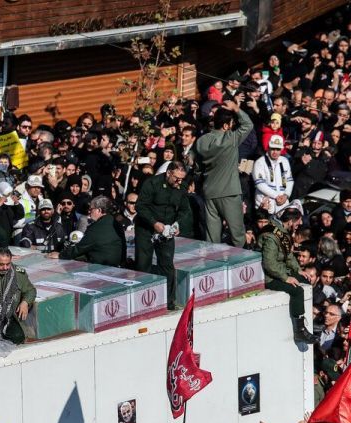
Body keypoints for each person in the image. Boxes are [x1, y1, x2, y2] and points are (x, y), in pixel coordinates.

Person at [195, 100, 253, 247]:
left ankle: (212, 267)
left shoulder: (201, 141)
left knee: (212, 237)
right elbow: (248, 125)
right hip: (229, 192)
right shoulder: (231, 138)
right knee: (238, 235)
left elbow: (198, 166)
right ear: (226, 125)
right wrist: (236, 108)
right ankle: (238, 266)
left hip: (209, 191)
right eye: (232, 124)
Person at [134, 162, 191, 310]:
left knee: (167, 264)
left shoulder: (181, 187)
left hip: (167, 228)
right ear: (168, 173)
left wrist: (178, 224)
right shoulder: (152, 183)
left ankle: (168, 301)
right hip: (146, 227)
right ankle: (142, 300)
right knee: (143, 263)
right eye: (177, 178)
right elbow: (140, 206)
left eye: (181, 179)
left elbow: (185, 210)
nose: (179, 182)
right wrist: (154, 223)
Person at [258, 208, 314, 343]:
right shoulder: (272, 236)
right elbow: (269, 263)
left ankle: (303, 316)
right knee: (296, 290)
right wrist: (286, 278)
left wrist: (298, 270)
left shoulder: (283, 232)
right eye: (297, 223)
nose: (298, 226)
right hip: (269, 277)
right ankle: (299, 330)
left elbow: (288, 254)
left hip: (281, 270)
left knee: (305, 280)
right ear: (290, 221)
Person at [50, 195, 125, 266]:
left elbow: (79, 248)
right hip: (117, 265)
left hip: (100, 267)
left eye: (91, 209)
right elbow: (123, 246)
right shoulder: (116, 224)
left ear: (99, 210)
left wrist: (60, 255)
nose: (89, 212)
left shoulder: (96, 227)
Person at [252, 135, 301, 216]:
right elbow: (260, 184)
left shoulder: (285, 161)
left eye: (278, 149)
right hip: (265, 204)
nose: (275, 152)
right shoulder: (260, 162)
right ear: (268, 148)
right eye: (273, 149)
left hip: (282, 204)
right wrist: (276, 196)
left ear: (281, 149)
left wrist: (286, 195)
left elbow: (289, 180)